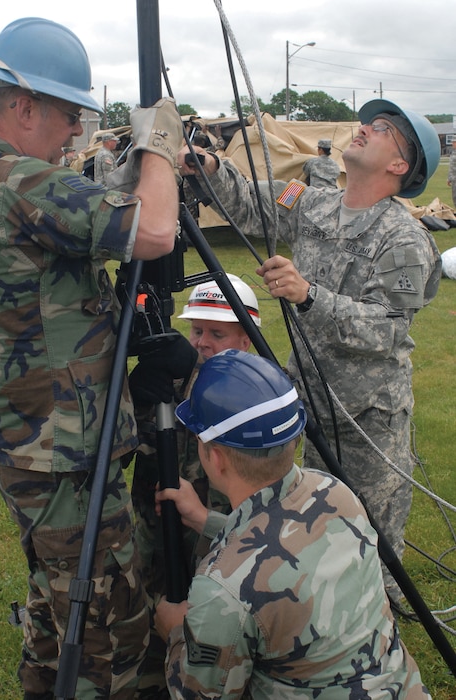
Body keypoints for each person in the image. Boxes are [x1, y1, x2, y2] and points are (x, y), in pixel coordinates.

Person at [0, 17, 183, 700]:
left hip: (36, 436)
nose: (78, 131)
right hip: (60, 448)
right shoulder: (17, 181)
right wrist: (160, 145)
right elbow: (158, 230)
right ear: (23, 106)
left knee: (59, 607)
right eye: (69, 112)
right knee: (106, 621)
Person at [176, 100, 442, 604]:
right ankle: (307, 618)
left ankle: (373, 639)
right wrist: (207, 165)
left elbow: (387, 330)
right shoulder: (312, 201)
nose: (364, 128)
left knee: (369, 533)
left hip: (367, 418)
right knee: (300, 516)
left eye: (382, 129)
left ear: (399, 166)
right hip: (306, 401)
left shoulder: (403, 237)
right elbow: (250, 202)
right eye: (368, 122)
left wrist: (308, 295)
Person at [154, 349, 431, 699]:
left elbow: (199, 694)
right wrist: (204, 519)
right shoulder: (334, 493)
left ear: (216, 457)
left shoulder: (222, 591)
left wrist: (176, 633)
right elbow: (286, 538)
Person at [128, 275, 261, 698]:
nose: (202, 343)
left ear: (246, 342)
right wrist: (137, 400)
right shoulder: (171, 380)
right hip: (158, 539)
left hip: (221, 547)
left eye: (216, 334)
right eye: (196, 330)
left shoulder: (254, 398)